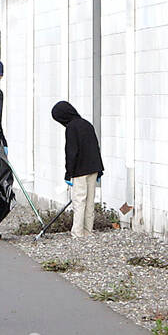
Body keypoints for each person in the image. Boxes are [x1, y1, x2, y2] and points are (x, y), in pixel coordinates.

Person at [51, 101, 104, 237]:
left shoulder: (71, 128)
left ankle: (77, 232)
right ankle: (88, 231)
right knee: (89, 201)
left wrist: (68, 174)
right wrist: (100, 169)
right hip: (93, 168)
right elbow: (95, 147)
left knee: (79, 201)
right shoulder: (87, 124)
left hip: (79, 171)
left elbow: (71, 153)